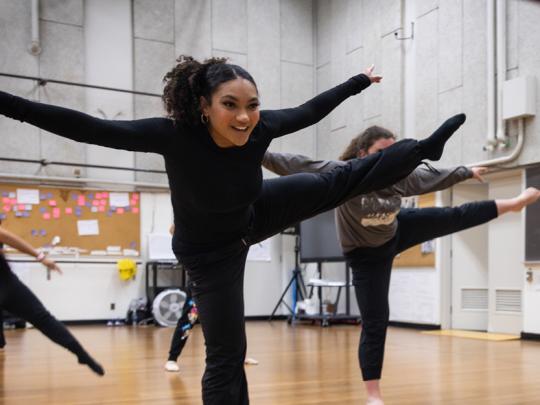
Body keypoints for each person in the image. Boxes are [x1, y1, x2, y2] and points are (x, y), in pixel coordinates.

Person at [0, 56, 465, 404]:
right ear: (203, 106)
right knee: (227, 352)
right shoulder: (173, 135)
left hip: (254, 214)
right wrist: (9, 105)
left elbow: (311, 109)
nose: (244, 117)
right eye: (230, 105)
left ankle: (420, 150)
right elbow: (87, 128)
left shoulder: (260, 128)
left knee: (337, 179)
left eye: (252, 106)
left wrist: (357, 83)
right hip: (209, 253)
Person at [262, 126, 540, 405]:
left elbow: (435, 177)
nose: (390, 159)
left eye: (393, 152)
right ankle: (373, 394)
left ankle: (513, 204)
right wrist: (257, 154)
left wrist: (466, 172)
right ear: (362, 154)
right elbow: (300, 165)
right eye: (381, 153)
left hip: (397, 231)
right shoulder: (344, 173)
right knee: (376, 320)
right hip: (365, 255)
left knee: (453, 216)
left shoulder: (401, 176)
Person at [0, 223, 104, 376]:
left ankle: (80, 352)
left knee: (43, 318)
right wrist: (40, 257)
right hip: (7, 283)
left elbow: (7, 237)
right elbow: (7, 237)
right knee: (44, 319)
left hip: (6, 283)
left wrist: (40, 257)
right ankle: (80, 352)